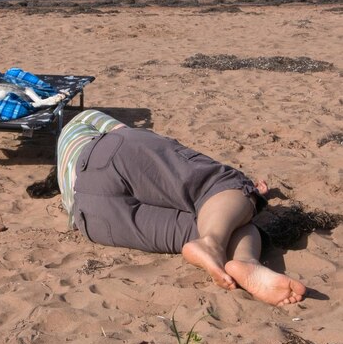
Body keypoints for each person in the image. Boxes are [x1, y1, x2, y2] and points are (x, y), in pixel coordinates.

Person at [57, 110, 306, 307]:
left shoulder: (65, 182)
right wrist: (246, 191)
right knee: (221, 186)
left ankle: (243, 261)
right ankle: (222, 246)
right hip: (105, 153)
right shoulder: (79, 121)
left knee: (220, 220)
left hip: (89, 217)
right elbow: (133, 139)